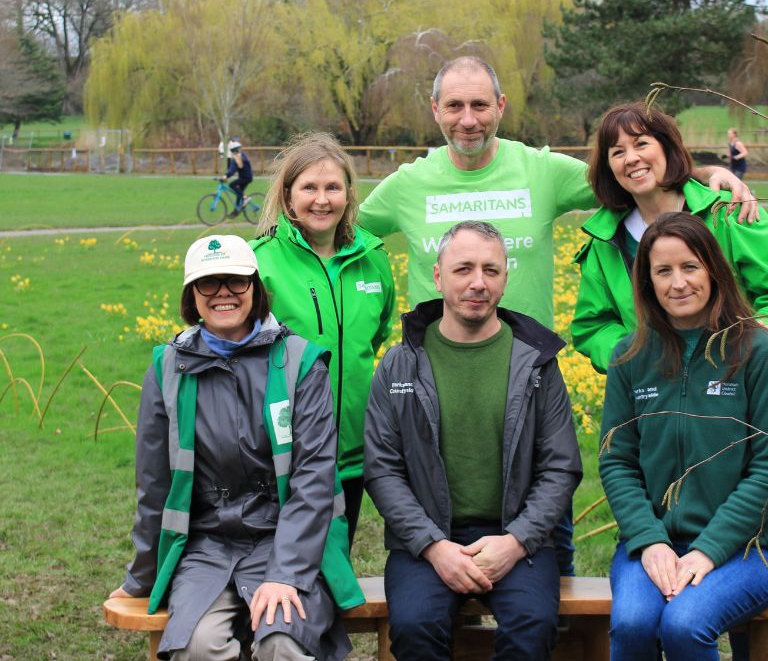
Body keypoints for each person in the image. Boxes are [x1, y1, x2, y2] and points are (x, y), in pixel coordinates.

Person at [358, 55, 760, 329]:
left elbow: (628, 175)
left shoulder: (543, 170)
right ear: (435, 109)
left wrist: (706, 173)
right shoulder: (406, 185)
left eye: (479, 105)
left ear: (500, 106)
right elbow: (333, 230)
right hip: (434, 363)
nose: (468, 120)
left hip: (527, 364)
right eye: (454, 106)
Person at [109, 235, 363, 660]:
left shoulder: (301, 363)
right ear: (192, 295)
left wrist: (286, 573)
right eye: (208, 283)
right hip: (206, 547)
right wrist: (141, 577)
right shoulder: (167, 368)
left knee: (282, 641)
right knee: (197, 647)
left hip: (287, 541)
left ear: (256, 289)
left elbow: (314, 481)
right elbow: (154, 486)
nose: (223, 293)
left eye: (236, 281)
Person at [364, 220, 583, 661]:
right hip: (427, 540)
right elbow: (383, 469)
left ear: (505, 277)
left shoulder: (537, 363)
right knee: (413, 628)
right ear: (439, 276)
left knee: (532, 628)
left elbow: (560, 466)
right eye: (463, 269)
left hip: (515, 536)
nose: (478, 283)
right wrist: (433, 547)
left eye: (491, 270)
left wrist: (517, 541)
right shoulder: (401, 364)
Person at [599, 213, 768, 661]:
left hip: (748, 549)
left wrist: (708, 550)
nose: (678, 283)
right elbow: (617, 461)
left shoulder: (757, 350)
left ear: (713, 270)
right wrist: (648, 541)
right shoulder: (629, 355)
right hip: (651, 543)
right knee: (631, 626)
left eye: (689, 267)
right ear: (647, 282)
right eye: (663, 271)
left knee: (685, 626)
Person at [572, 102, 768, 375]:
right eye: (617, 152)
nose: (631, 158)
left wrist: (760, 335)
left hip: (735, 381)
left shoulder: (730, 213)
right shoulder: (604, 242)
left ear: (666, 146)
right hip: (653, 396)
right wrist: (636, 357)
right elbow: (593, 326)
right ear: (609, 167)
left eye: (641, 144)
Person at [251, 132, 396, 547]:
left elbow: (378, 333)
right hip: (282, 454)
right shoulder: (260, 262)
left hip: (352, 452)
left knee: (337, 565)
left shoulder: (374, 259)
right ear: (287, 195)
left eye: (333, 187)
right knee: (282, 570)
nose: (321, 199)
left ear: (349, 194)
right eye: (309, 187)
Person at [222, 139, 253, 215]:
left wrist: (226, 175)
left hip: (245, 178)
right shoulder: (242, 155)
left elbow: (232, 169)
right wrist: (227, 175)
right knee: (239, 193)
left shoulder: (237, 158)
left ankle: (245, 198)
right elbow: (234, 168)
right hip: (247, 177)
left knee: (232, 185)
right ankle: (236, 211)